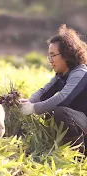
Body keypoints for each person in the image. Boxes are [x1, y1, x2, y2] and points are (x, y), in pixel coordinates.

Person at [19, 24, 87, 153]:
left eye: (53, 55)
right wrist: (29, 102)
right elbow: (44, 91)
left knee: (60, 112)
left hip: (84, 121)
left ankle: (78, 155)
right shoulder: (61, 75)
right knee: (50, 112)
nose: (50, 60)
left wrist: (34, 108)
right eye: (49, 56)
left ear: (67, 54)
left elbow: (63, 98)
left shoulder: (81, 73)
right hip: (79, 122)